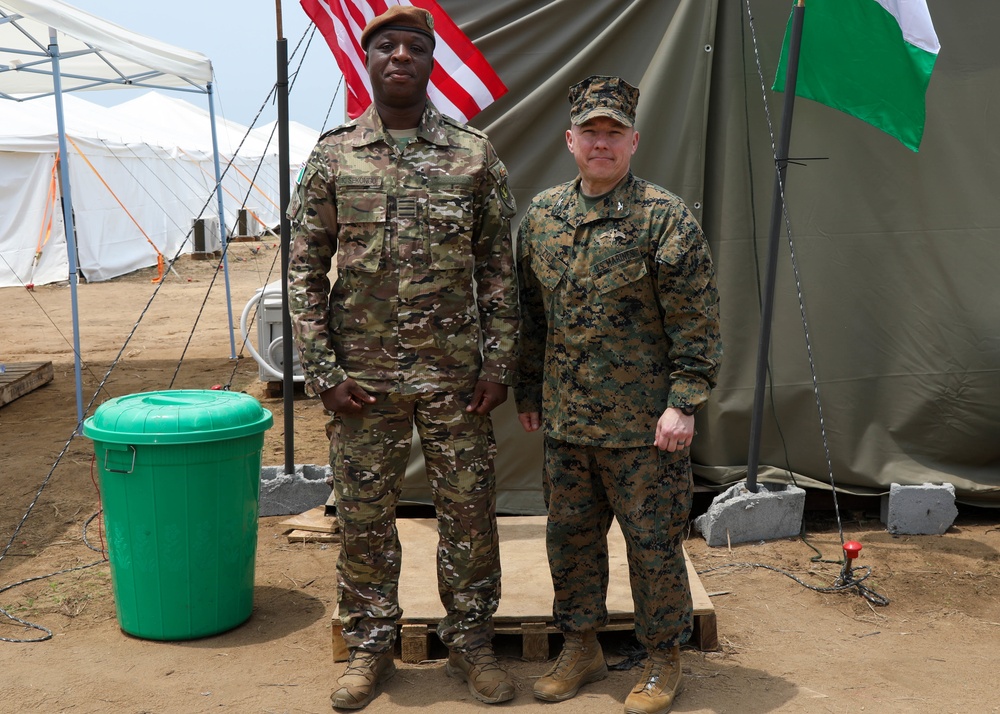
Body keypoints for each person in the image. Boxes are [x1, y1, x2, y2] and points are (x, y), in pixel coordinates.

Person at [286, 6, 519, 710]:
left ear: (430, 62)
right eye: (386, 45)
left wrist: (497, 364)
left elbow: (498, 268)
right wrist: (323, 375)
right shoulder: (333, 155)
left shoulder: (474, 154)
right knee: (363, 513)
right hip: (363, 381)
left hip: (454, 378)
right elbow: (302, 269)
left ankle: (472, 640)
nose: (400, 56)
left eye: (416, 47)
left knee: (470, 510)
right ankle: (369, 645)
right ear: (369, 60)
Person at [514, 75, 722, 714]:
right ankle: (581, 645)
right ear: (570, 140)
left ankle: (663, 658)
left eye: (613, 133)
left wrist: (683, 403)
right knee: (570, 538)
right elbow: (532, 314)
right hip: (568, 423)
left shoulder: (663, 219)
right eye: (590, 133)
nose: (601, 144)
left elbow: (698, 320)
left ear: (633, 140)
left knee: (654, 544)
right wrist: (529, 388)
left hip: (645, 428)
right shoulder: (543, 216)